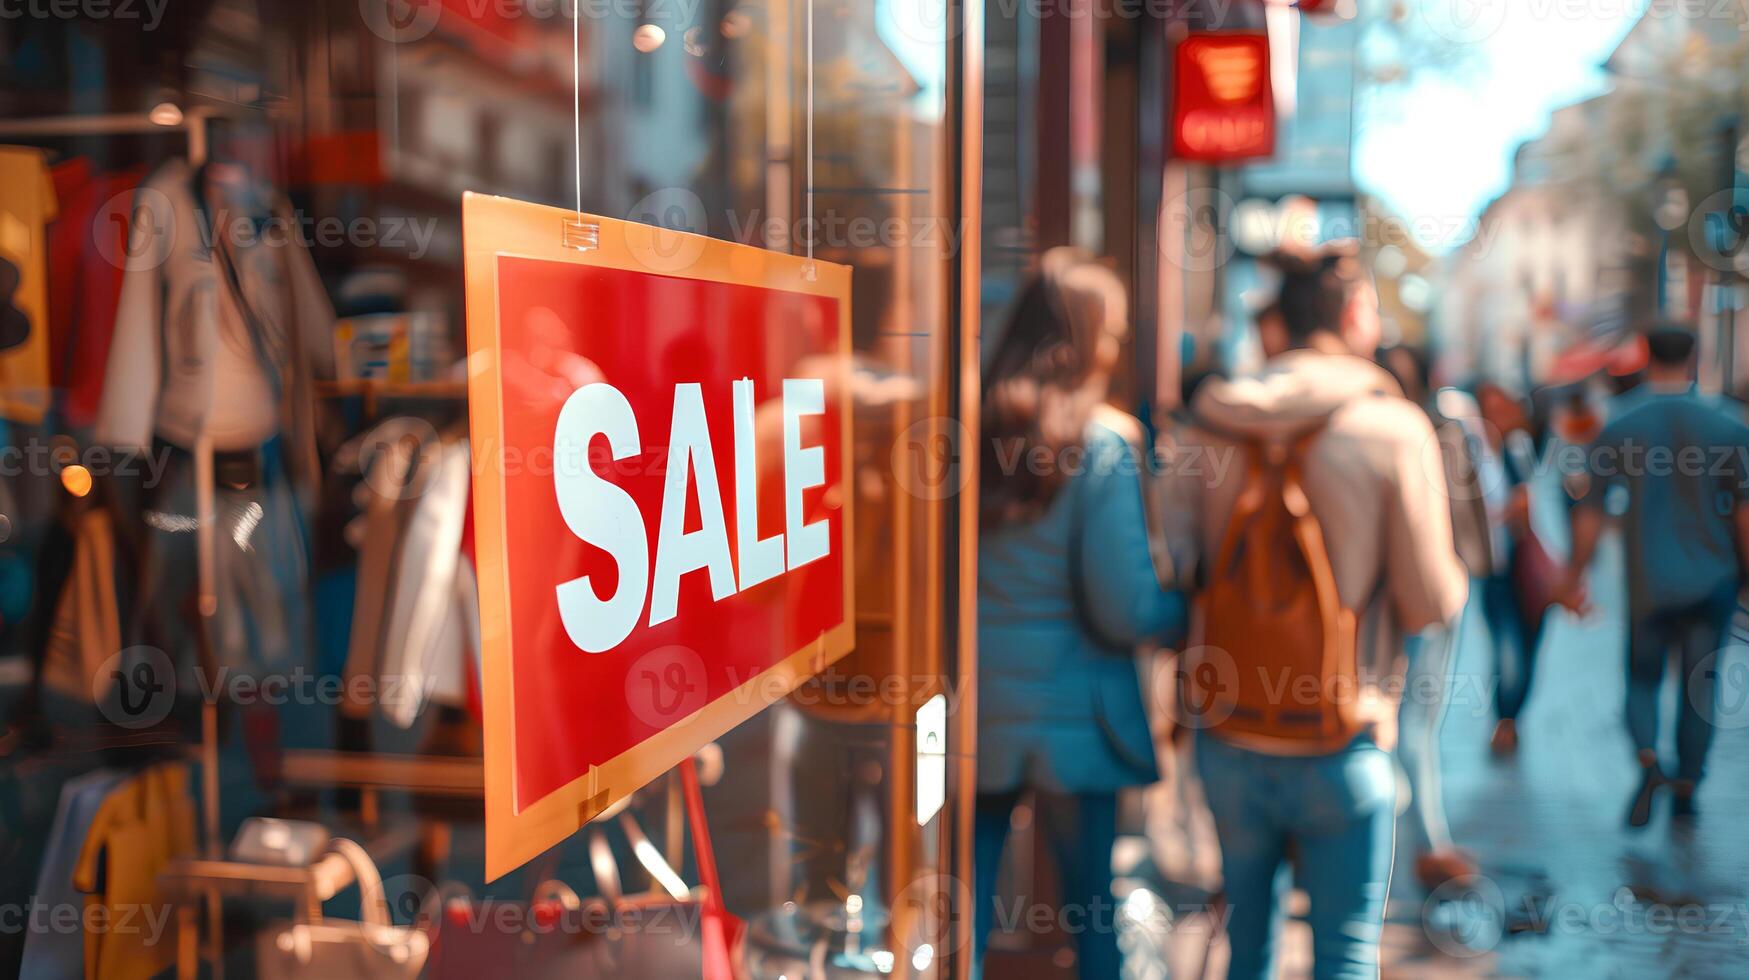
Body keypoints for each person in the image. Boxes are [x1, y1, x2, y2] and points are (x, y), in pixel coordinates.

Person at [1172, 244, 1468, 980]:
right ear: (1351, 314)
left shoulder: (1206, 424)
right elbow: (1430, 601)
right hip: (1343, 734)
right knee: (1341, 955)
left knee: (1247, 950)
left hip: (1229, 725)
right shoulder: (1394, 429)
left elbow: (1170, 567)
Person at [973, 248, 1186, 980]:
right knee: (1092, 919)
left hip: (978, 709)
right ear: (1086, 336)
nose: (1120, 343)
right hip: (1077, 721)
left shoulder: (965, 427)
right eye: (1115, 330)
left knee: (961, 915)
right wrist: (1183, 608)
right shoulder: (1101, 444)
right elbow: (1124, 608)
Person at [1557, 324, 1749, 827]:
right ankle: (1687, 784)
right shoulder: (1729, 424)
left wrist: (1574, 574)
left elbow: (1590, 511)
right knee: (1700, 682)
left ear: (1644, 355)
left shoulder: (1620, 424)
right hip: (1714, 579)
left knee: (1641, 678)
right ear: (1695, 355)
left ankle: (1648, 761)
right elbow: (1745, 513)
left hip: (1649, 581)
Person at [1375, 344, 1483, 890]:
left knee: (1404, 721)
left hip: (1403, 593)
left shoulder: (1385, 432)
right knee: (1415, 723)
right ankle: (1427, 845)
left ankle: (1418, 841)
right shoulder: (1435, 431)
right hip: (1433, 592)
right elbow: (1463, 512)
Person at [1472, 382, 1548, 756]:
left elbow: (1534, 504)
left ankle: (1512, 716)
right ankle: (1504, 718)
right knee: (1506, 646)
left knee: (1528, 644)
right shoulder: (1473, 454)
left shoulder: (1522, 451)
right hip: (1496, 569)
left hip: (1527, 568)